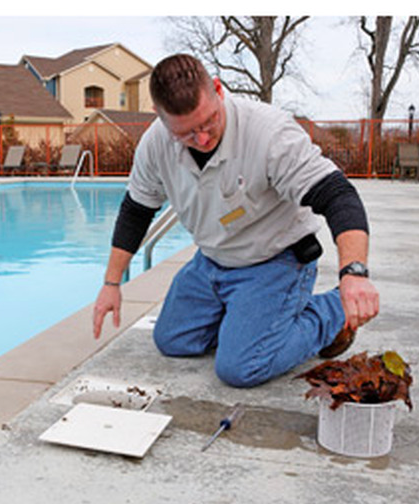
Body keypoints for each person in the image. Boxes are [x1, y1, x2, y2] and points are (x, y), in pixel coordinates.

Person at [92, 53, 379, 388]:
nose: (202, 139)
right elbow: (136, 210)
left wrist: (354, 272)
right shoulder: (154, 143)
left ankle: (331, 312)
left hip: (275, 259)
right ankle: (248, 318)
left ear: (217, 89)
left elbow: (337, 195)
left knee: (241, 368)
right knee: (172, 341)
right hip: (212, 260)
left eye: (209, 121)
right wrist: (111, 284)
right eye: (186, 132)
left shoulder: (268, 132)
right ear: (160, 116)